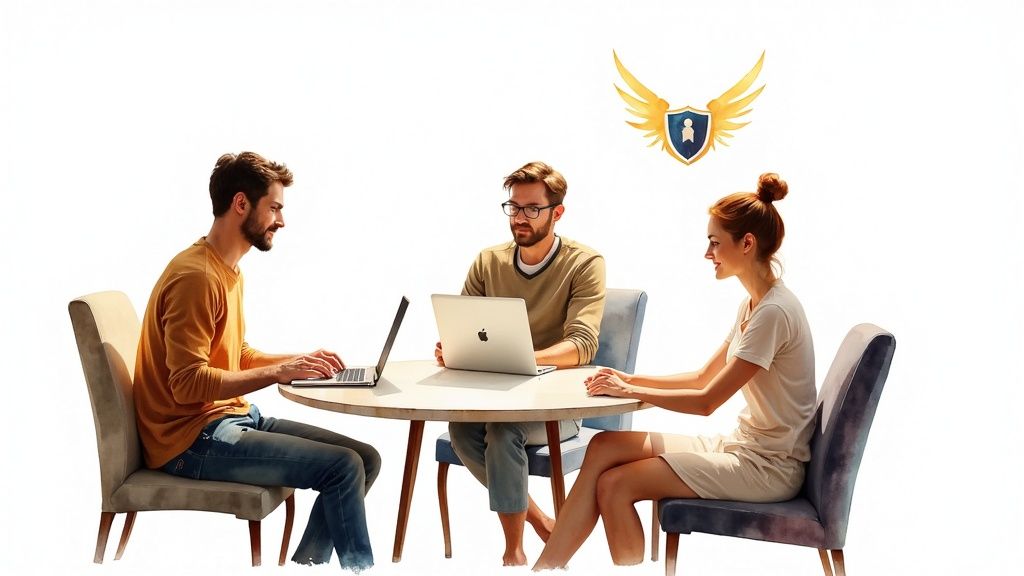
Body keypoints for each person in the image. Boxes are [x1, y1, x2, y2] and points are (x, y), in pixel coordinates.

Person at [534, 172, 815, 569]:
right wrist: (628, 380)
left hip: (767, 468)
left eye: (715, 242)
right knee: (603, 447)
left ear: (747, 243)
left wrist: (631, 392)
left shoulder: (773, 313)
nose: (707, 253)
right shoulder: (754, 305)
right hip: (740, 447)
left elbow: (706, 401)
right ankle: (546, 568)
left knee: (616, 485)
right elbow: (703, 376)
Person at [133, 152, 379, 571]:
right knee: (341, 467)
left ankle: (309, 566)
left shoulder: (227, 270)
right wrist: (278, 373)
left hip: (233, 419)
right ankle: (359, 569)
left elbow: (236, 355)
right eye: (275, 207)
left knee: (366, 458)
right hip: (190, 441)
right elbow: (187, 384)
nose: (280, 221)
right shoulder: (197, 278)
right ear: (241, 204)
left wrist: (299, 360)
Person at [434, 161, 606, 566]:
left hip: (556, 405)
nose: (520, 218)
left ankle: (513, 553)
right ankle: (543, 521)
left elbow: (582, 346)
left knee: (502, 427)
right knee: (461, 427)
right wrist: (454, 348)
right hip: (495, 396)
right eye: (513, 208)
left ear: (556, 212)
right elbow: (465, 324)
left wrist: (522, 358)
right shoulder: (488, 261)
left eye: (531, 209)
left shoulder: (584, 263)